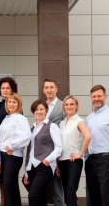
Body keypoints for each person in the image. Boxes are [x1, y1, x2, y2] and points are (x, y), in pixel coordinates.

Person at [84, 85, 109, 206]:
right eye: (94, 96)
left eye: (99, 96)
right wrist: (86, 158)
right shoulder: (89, 118)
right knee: (93, 194)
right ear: (91, 98)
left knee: (105, 194)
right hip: (91, 160)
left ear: (105, 97)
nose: (97, 99)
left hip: (106, 159)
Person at [22, 100, 62, 206]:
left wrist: (47, 160)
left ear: (46, 111)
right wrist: (26, 172)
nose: (39, 112)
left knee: (33, 195)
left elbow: (59, 147)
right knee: (39, 195)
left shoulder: (52, 126)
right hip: (32, 167)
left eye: (41, 109)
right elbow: (30, 151)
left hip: (44, 166)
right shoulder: (32, 129)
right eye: (36, 110)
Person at [0, 93, 30, 206]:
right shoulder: (6, 119)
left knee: (8, 187)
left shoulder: (20, 118)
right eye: (9, 101)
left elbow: (26, 136)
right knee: (12, 187)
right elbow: (1, 140)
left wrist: (11, 145)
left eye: (14, 102)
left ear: (18, 104)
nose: (11, 104)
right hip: (4, 156)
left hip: (13, 156)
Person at [0, 76, 18, 206]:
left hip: (9, 149)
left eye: (7, 88)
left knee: (9, 179)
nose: (5, 90)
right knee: (1, 178)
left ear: (12, 89)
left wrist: (10, 145)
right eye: (3, 88)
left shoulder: (15, 105)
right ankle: (3, 203)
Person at [58, 95, 92, 206]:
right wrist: (57, 164)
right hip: (62, 162)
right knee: (66, 194)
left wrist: (80, 154)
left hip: (73, 162)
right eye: (67, 104)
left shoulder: (79, 121)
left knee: (70, 192)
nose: (69, 106)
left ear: (76, 106)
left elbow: (88, 136)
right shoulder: (62, 123)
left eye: (72, 104)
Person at [42, 78, 65, 206]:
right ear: (43, 90)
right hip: (43, 151)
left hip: (57, 150)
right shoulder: (42, 106)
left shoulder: (63, 106)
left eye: (51, 87)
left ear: (56, 89)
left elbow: (65, 128)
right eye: (47, 87)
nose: (49, 90)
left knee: (57, 186)